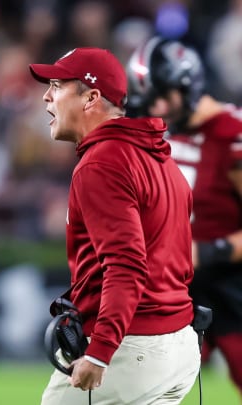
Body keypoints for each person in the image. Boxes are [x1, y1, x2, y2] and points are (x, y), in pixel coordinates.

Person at [29, 47, 200, 404]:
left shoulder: (102, 163)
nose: (47, 95)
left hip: (129, 350)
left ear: (91, 97)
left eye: (58, 85)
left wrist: (100, 351)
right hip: (179, 345)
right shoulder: (161, 161)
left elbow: (126, 265)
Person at [127, 36, 242, 395]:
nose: (157, 106)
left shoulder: (232, 135)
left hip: (232, 285)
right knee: (144, 386)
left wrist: (207, 251)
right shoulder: (158, 134)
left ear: (187, 85)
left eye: (164, 95)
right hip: (175, 286)